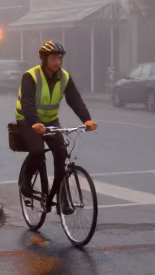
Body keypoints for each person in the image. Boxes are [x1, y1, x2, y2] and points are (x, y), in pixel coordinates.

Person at [14, 40, 97, 213]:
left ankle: (62, 199)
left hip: (51, 121)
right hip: (28, 120)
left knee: (62, 156)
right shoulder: (31, 76)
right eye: (53, 58)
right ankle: (25, 180)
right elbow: (27, 103)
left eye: (60, 58)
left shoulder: (64, 77)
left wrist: (87, 119)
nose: (57, 62)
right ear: (44, 59)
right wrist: (35, 122)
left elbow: (75, 100)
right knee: (37, 151)